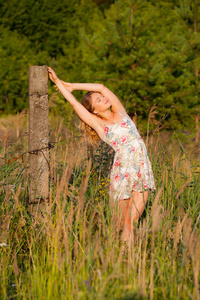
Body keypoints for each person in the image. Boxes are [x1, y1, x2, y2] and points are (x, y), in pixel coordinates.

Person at [48, 67, 156, 242]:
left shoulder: (120, 111)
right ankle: (115, 256)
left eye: (102, 97)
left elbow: (102, 87)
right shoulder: (99, 125)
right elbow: (76, 105)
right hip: (123, 173)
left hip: (143, 170)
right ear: (94, 110)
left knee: (132, 222)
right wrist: (58, 83)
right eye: (99, 100)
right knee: (120, 224)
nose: (104, 98)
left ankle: (129, 261)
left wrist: (73, 86)